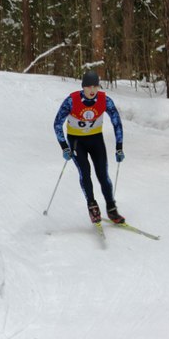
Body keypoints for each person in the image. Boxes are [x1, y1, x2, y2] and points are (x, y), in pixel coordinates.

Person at [53, 70, 125, 224]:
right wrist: (64, 147)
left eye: (95, 86)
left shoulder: (105, 100)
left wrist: (119, 147)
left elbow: (117, 123)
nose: (92, 90)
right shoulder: (71, 101)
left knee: (103, 175)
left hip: (96, 140)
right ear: (83, 87)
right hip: (76, 142)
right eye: (89, 87)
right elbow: (57, 123)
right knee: (85, 172)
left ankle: (111, 208)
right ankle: (92, 205)